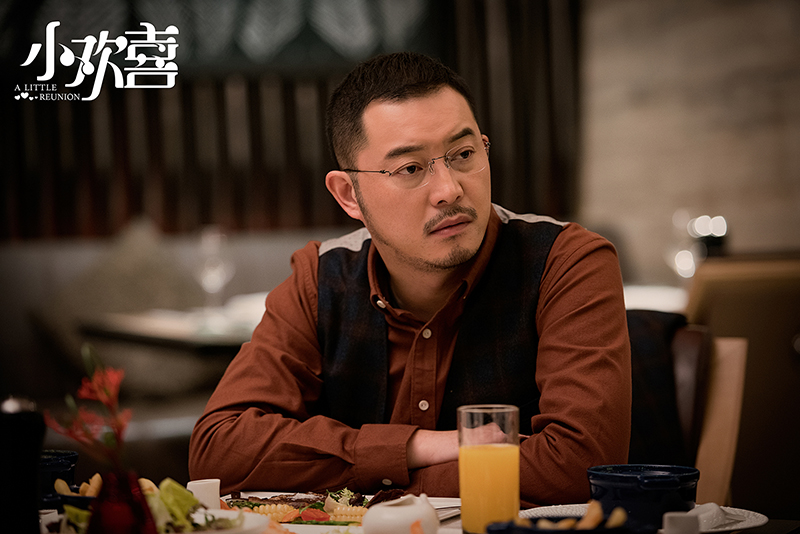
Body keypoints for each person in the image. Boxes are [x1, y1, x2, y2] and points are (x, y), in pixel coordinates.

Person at [188, 51, 631, 507]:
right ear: (349, 195)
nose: (449, 190)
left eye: (464, 155)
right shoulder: (320, 280)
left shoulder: (566, 261)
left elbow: (580, 466)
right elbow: (218, 450)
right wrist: (419, 446)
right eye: (410, 169)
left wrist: (383, 484)